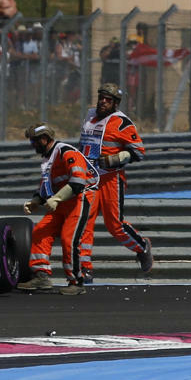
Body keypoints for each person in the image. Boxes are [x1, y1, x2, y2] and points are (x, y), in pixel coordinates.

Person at [77, 83, 152, 281]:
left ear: (115, 103)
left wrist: (115, 159)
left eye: (108, 100)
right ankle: (84, 268)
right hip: (89, 177)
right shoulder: (89, 115)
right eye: (101, 97)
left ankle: (142, 246)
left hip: (112, 179)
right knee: (84, 222)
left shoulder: (122, 122)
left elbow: (139, 152)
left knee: (115, 225)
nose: (103, 102)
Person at [17, 123, 99, 296]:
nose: (32, 146)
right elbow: (46, 187)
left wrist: (56, 199)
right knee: (40, 231)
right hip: (61, 201)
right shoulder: (48, 159)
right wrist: (35, 201)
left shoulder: (66, 152)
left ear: (44, 139)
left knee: (69, 239)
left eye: (34, 142)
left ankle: (76, 282)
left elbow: (78, 182)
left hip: (79, 198)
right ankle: (41, 276)